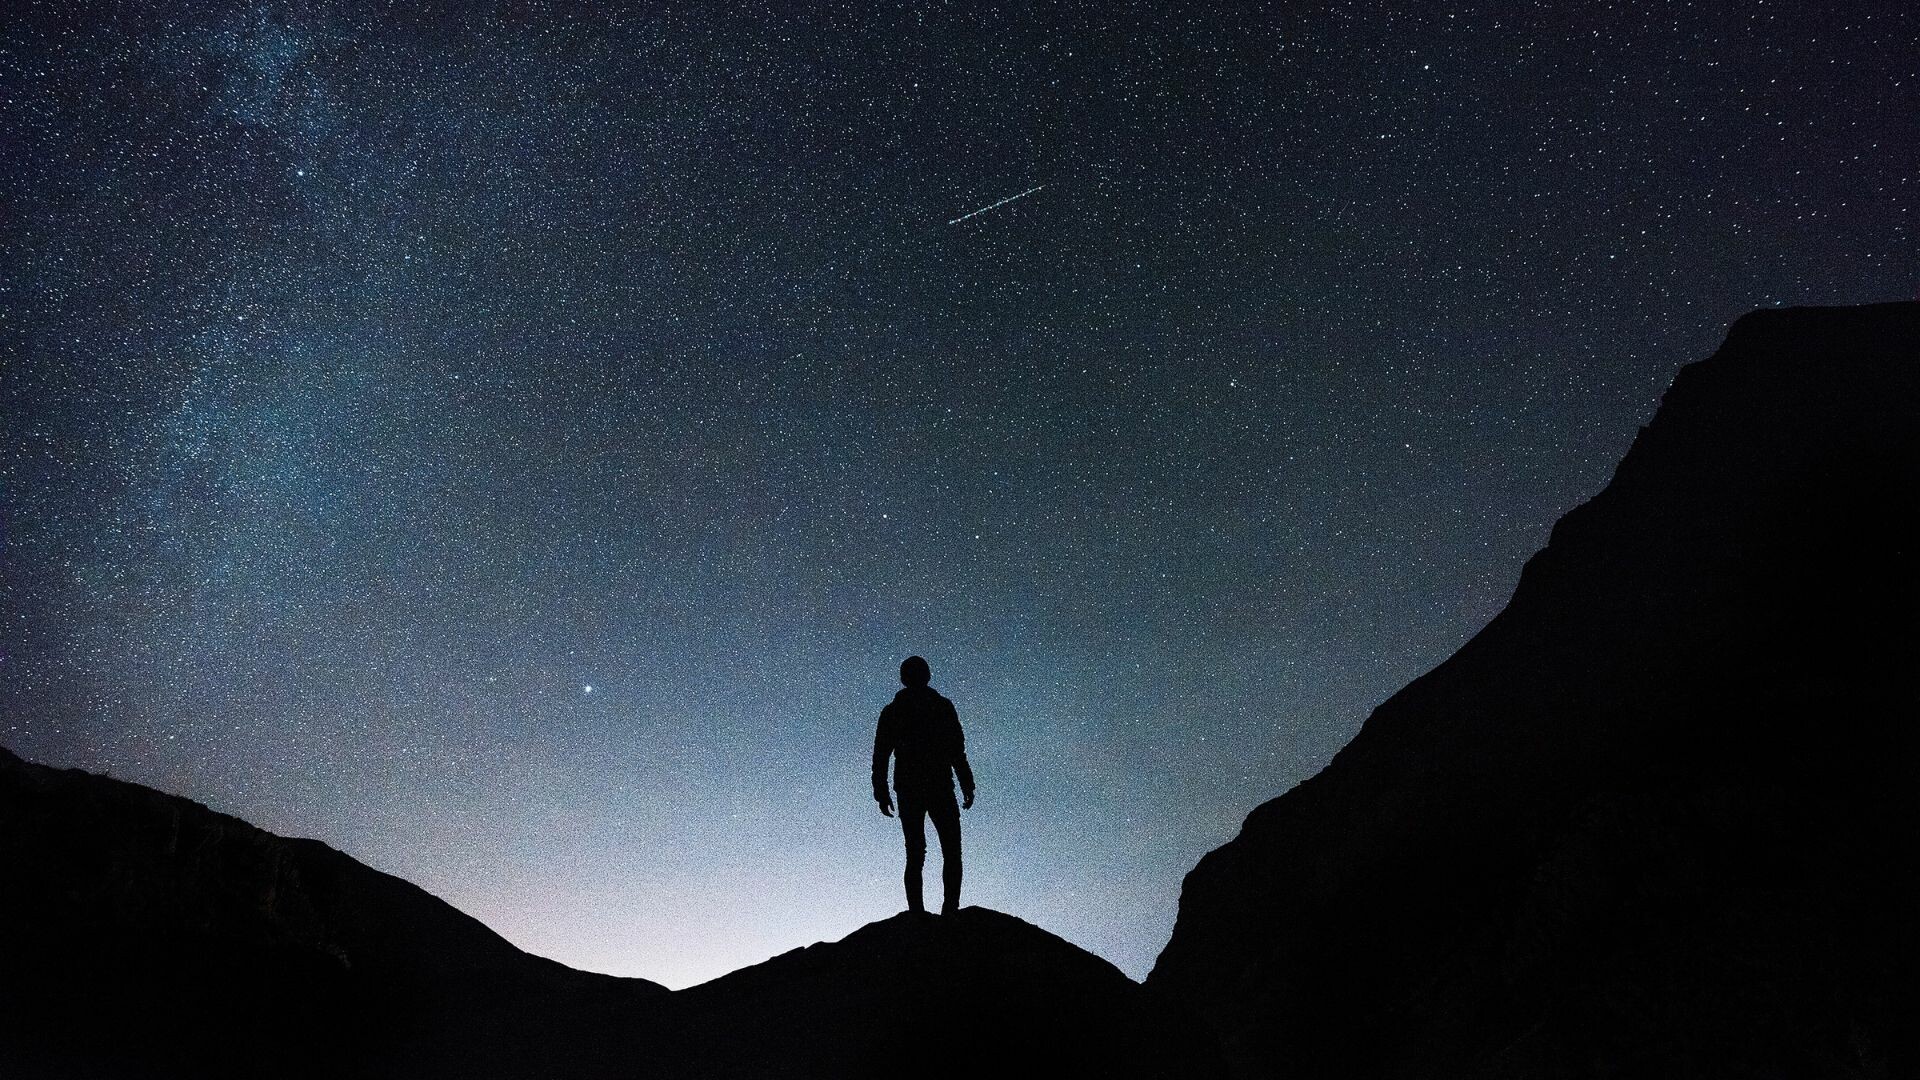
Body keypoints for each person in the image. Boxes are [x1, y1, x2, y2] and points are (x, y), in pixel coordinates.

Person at [871, 655, 975, 915]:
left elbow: (955, 749)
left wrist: (966, 782)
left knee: (925, 852)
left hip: (921, 786)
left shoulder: (906, 709)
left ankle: (934, 910)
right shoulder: (934, 707)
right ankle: (940, 910)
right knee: (938, 851)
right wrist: (880, 789)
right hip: (924, 786)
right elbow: (881, 753)